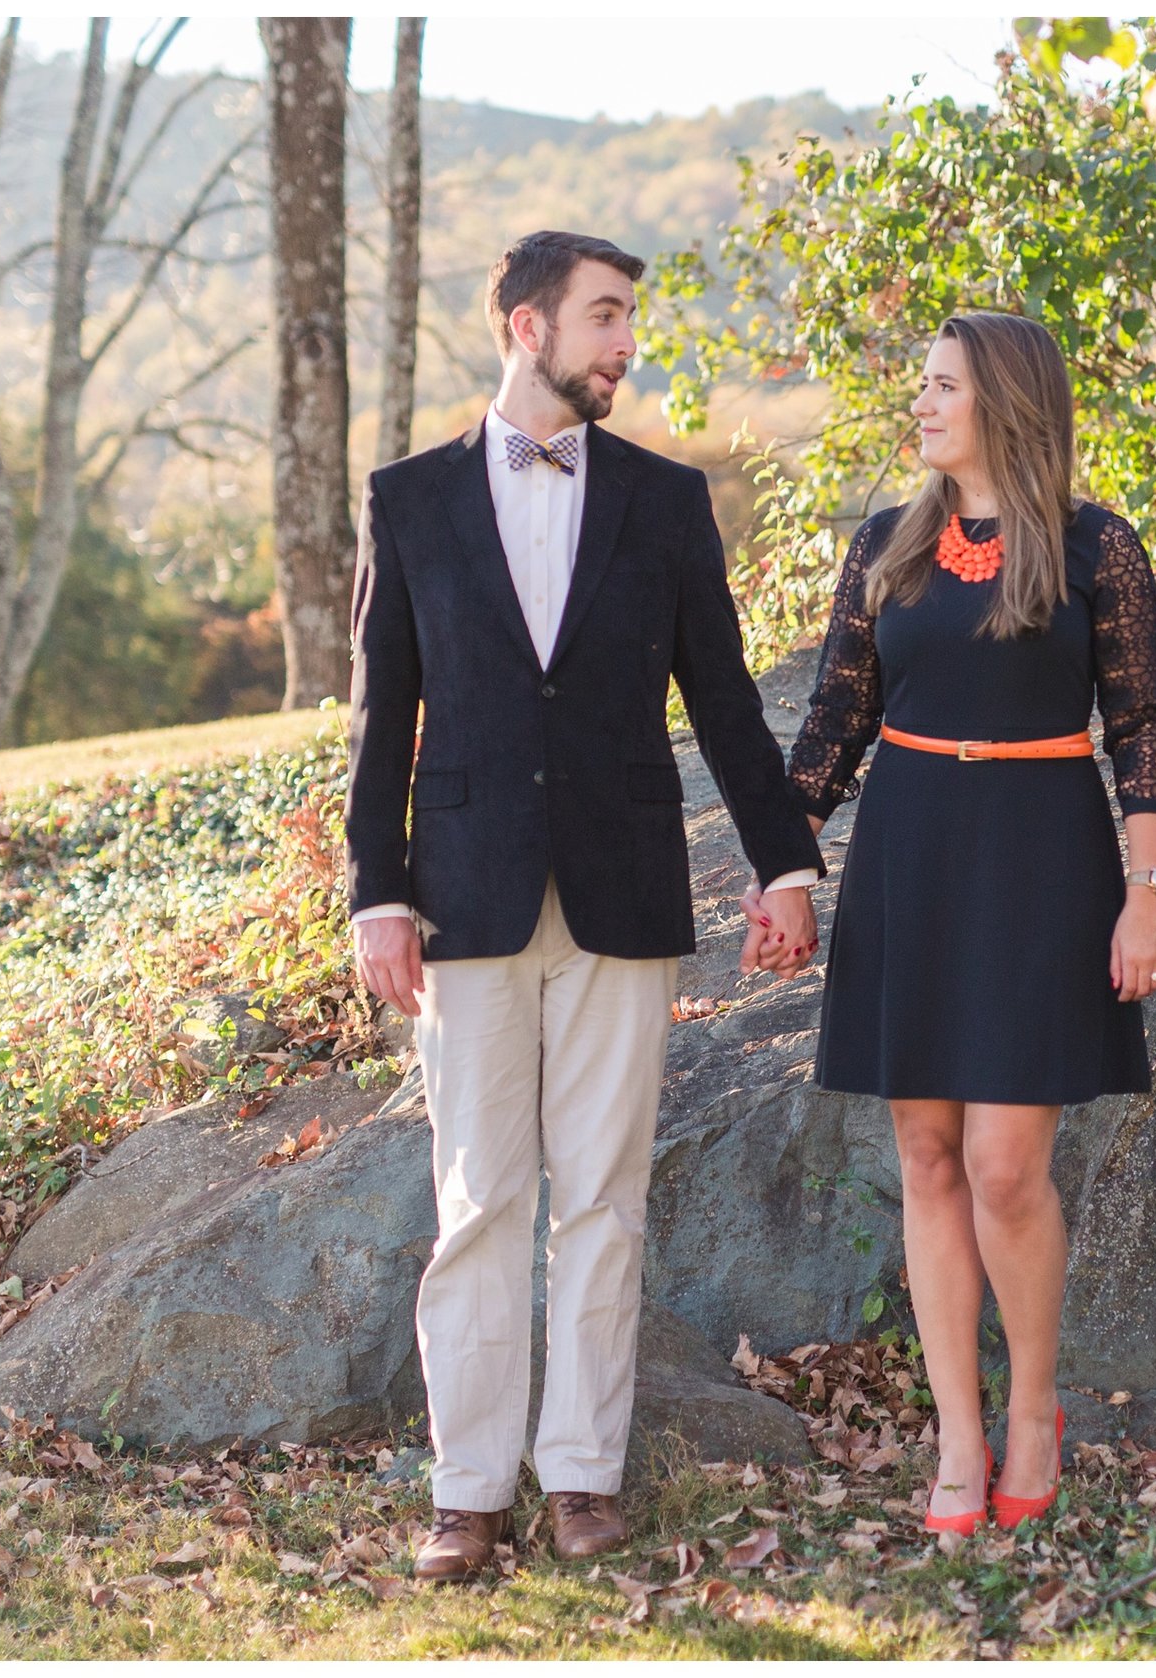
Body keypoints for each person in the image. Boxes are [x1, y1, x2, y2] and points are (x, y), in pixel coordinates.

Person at [345, 230, 825, 1583]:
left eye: (629, 318)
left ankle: (584, 1475)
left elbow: (723, 696)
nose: (626, 343)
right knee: (481, 1197)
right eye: (605, 316)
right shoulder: (409, 500)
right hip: (465, 896)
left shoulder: (666, 503)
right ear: (524, 325)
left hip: (622, 889)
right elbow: (386, 719)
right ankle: (466, 1490)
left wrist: (784, 861)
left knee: (604, 1200)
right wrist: (376, 891)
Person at [758, 310, 1156, 1534]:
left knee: (1005, 1165)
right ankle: (959, 1433)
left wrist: (1146, 894)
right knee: (928, 1154)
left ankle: (1035, 1408)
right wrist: (787, 866)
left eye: (942, 386)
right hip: (912, 851)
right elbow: (833, 721)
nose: (922, 405)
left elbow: (1142, 724)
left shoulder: (1099, 545)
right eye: (921, 387)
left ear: (1004, 398)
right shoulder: (886, 545)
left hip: (1044, 853)